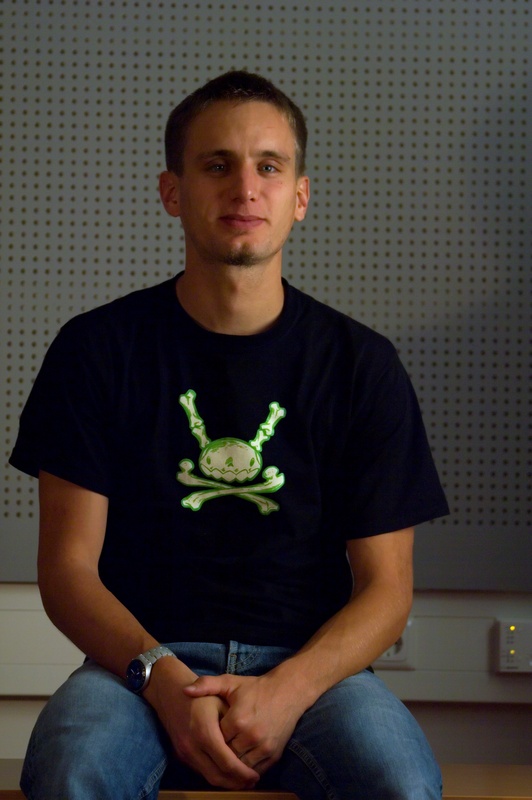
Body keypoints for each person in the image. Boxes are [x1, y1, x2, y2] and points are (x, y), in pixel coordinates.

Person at [10, 70, 449, 800]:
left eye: (269, 167)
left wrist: (289, 689)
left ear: (300, 196)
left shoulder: (361, 365)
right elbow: (68, 571)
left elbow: (387, 589)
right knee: (70, 774)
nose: (245, 188)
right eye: (217, 165)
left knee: (399, 782)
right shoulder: (96, 350)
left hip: (312, 673)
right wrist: (164, 682)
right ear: (172, 192)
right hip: (137, 669)